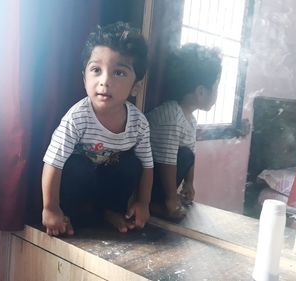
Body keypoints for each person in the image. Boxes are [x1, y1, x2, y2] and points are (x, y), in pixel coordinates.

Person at [41, 22, 154, 236]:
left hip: (106, 180)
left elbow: (147, 166)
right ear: (85, 78)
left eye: (118, 73)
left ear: (136, 87)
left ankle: (109, 211)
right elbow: (53, 162)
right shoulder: (78, 116)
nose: (104, 81)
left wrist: (143, 203)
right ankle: (69, 215)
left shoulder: (139, 123)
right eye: (96, 70)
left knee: (132, 165)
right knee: (77, 167)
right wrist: (50, 208)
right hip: (77, 181)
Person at [146, 43, 222, 220]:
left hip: (162, 169)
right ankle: (155, 203)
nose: (217, 93)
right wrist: (172, 199)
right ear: (201, 92)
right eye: (216, 86)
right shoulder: (172, 115)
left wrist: (189, 183)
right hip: (146, 176)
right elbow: (167, 162)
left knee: (186, 154)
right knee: (181, 156)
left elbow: (190, 155)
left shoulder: (190, 119)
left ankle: (161, 200)